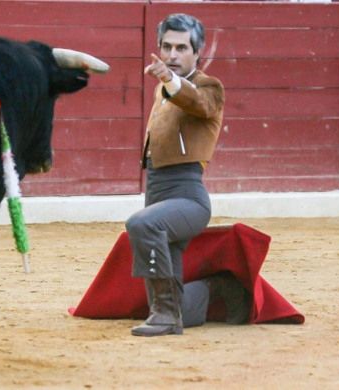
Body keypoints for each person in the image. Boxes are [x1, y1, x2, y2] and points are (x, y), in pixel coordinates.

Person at [125, 13, 250, 337]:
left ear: (198, 52)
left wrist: (171, 80)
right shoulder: (163, 90)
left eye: (181, 47)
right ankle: (218, 289)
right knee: (172, 301)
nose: (172, 54)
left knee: (142, 223)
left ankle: (165, 317)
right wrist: (168, 83)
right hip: (157, 188)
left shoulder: (209, 87)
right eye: (166, 46)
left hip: (187, 196)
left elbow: (197, 103)